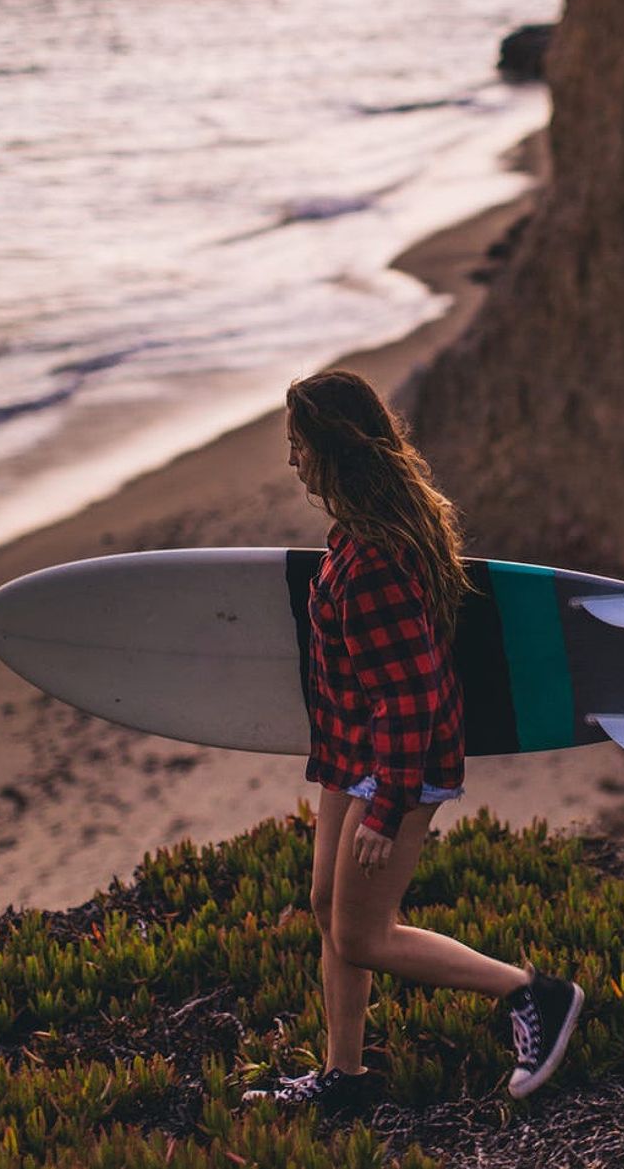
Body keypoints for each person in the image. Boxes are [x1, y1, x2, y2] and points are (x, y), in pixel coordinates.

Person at [248, 369, 583, 1117]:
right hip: (349, 755)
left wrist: (386, 807)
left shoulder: (371, 562)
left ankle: (534, 993)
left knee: (365, 935)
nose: (291, 460)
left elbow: (416, 696)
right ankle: (346, 1076)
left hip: (389, 766)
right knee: (329, 906)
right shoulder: (366, 533)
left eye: (298, 445)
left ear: (330, 450)